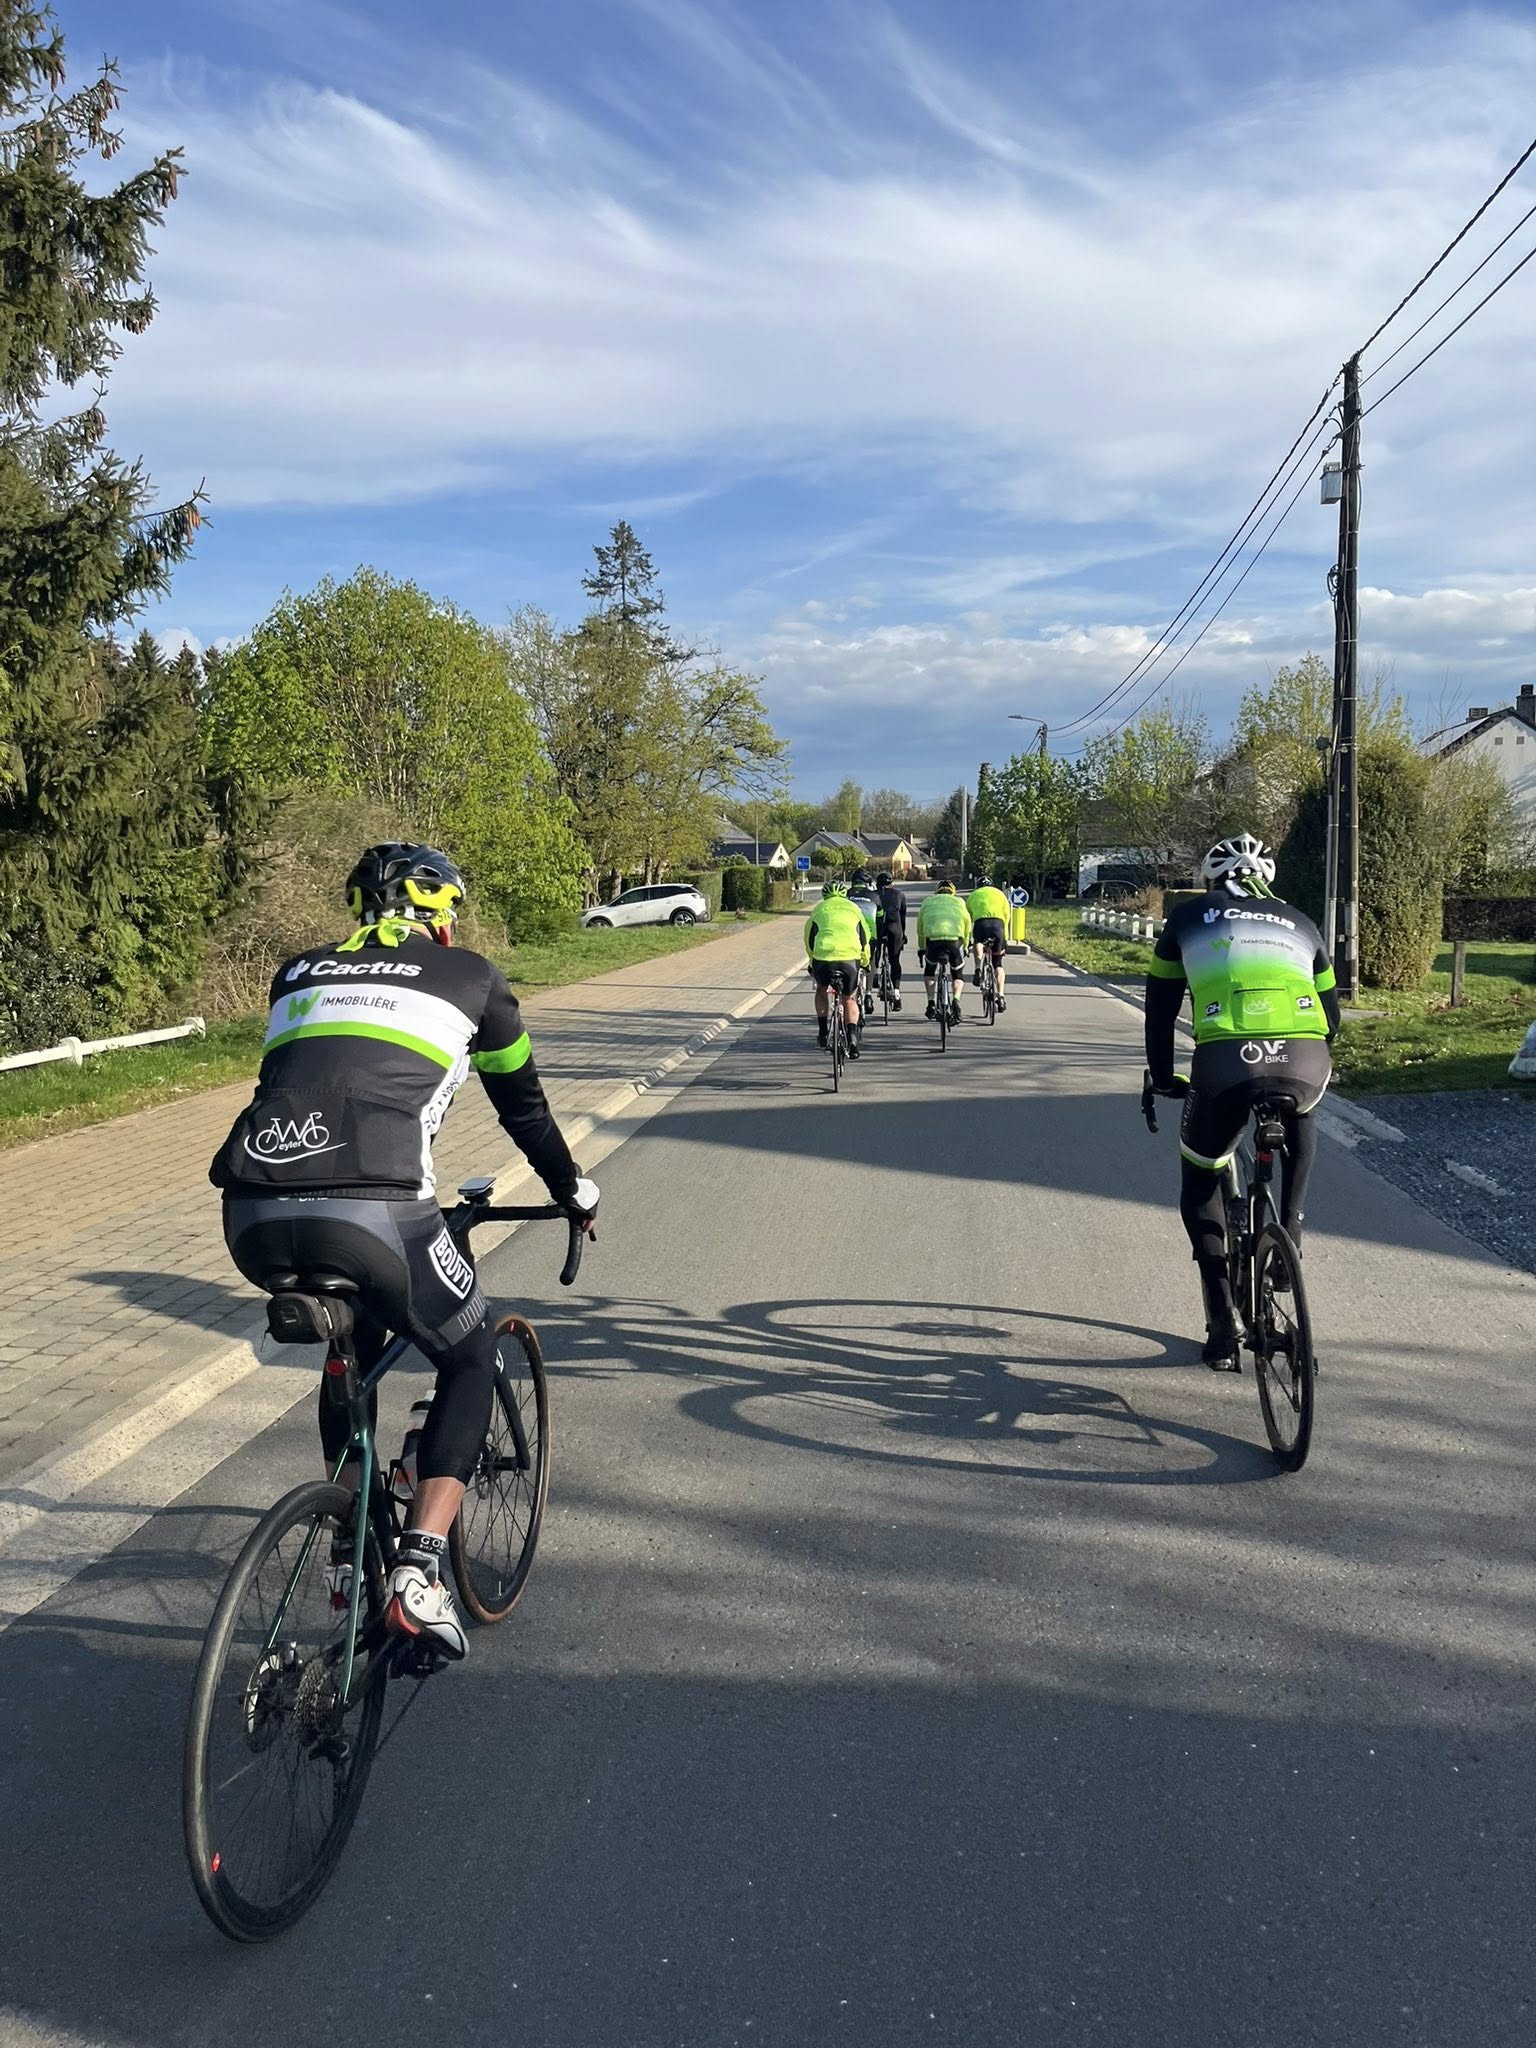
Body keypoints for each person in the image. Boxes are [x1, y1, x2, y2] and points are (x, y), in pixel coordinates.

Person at [210, 844, 599, 1661]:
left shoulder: (295, 973)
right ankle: (420, 1571)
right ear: (442, 915)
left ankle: (346, 1542)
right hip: (379, 1212)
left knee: (353, 1346)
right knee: (469, 1351)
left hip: (250, 1211)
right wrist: (572, 1190)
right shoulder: (474, 979)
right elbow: (524, 1110)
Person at [1144, 833, 1339, 1371]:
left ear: (1211, 879)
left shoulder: (1187, 919)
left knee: (1201, 1177)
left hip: (1227, 1062)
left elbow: (1159, 1012)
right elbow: (1332, 1019)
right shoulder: (1301, 921)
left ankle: (1222, 1324)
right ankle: (1291, 1228)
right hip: (1304, 1057)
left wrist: (1163, 1077)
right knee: (1303, 1109)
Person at [803, 879, 871, 1057]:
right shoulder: (854, 909)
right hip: (849, 958)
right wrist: (865, 961)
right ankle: (852, 1037)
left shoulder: (818, 909)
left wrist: (811, 961)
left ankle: (823, 1031)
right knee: (849, 999)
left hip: (823, 959)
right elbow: (865, 938)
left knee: (821, 990)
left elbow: (809, 939)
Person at [917, 881, 972, 1022]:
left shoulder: (927, 901)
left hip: (933, 940)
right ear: (953, 892)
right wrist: (966, 945)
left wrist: (922, 948)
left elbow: (920, 928)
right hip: (954, 941)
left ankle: (931, 1003)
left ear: (937, 891)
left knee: (930, 972)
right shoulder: (959, 901)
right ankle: (956, 1001)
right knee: (957, 974)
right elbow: (967, 925)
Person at [965, 875, 1012, 1011]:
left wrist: (968, 940)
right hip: (998, 926)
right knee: (998, 964)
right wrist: (1005, 939)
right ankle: (1001, 996)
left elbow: (967, 918)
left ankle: (978, 968)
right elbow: (1007, 917)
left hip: (981, 924)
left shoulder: (973, 895)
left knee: (978, 942)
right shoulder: (1000, 894)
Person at [847, 873, 882, 1015]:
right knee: (870, 962)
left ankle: (852, 993)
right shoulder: (874, 896)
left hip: (851, 934)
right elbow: (880, 918)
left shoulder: (846, 895)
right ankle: (868, 994)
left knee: (852, 963)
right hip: (870, 935)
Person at [874, 869, 908, 1010]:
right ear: (891, 883)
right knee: (895, 961)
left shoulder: (874, 895)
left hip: (878, 929)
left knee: (873, 956)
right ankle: (897, 994)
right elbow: (903, 917)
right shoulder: (899, 894)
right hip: (895, 930)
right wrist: (903, 934)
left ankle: (874, 975)